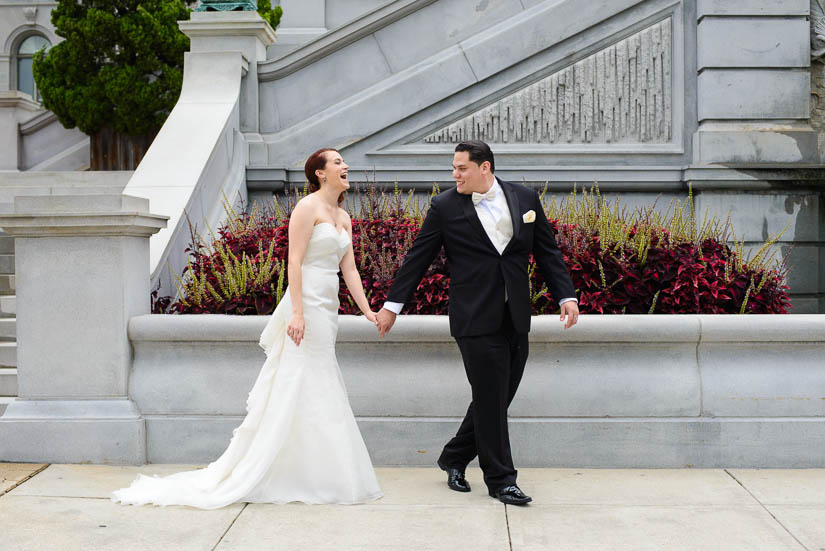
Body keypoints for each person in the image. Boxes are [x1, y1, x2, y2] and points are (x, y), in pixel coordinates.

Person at [112, 148, 383, 508]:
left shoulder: (344, 216)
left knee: (320, 378)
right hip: (306, 303)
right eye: (336, 162)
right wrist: (297, 313)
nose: (344, 166)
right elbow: (294, 263)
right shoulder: (307, 209)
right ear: (319, 173)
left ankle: (314, 471)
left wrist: (367, 311)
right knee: (299, 377)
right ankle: (278, 468)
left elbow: (348, 269)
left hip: (328, 306)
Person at [376, 140, 579, 506]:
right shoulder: (444, 206)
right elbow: (418, 257)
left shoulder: (526, 198)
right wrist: (392, 306)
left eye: (461, 168)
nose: (455, 175)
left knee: (497, 398)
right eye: (453, 168)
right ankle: (502, 480)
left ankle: (454, 456)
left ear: (485, 167)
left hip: (515, 314)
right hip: (473, 316)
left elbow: (547, 250)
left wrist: (566, 295)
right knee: (490, 397)